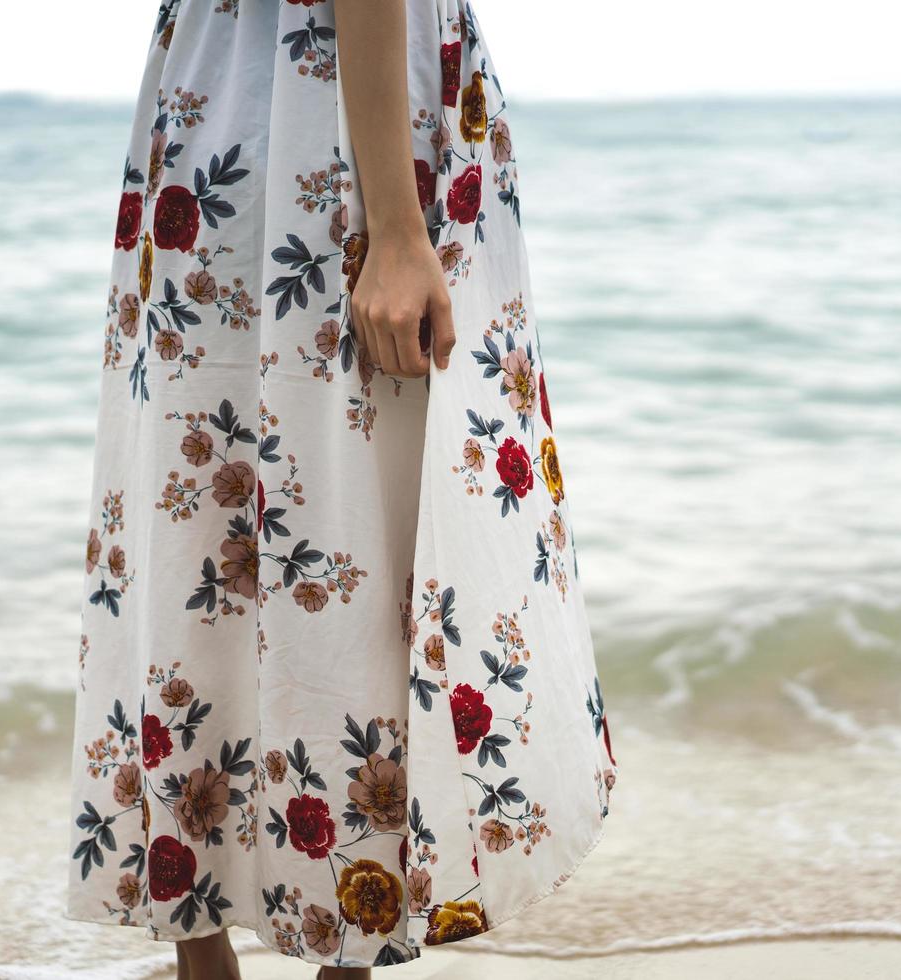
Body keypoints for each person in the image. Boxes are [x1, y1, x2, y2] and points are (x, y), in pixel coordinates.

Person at [63, 2, 619, 976]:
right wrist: (398, 231)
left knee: (200, 512)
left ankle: (211, 955)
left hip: (212, 93)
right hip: (334, 115)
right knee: (353, 515)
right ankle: (340, 956)